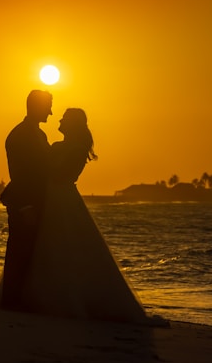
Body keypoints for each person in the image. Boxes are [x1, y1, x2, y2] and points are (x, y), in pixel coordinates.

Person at [21, 108, 148, 323]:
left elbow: (61, 174)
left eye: (64, 118)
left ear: (72, 123)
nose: (59, 119)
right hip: (54, 197)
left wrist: (46, 157)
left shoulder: (77, 147)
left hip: (62, 198)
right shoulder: (64, 146)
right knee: (50, 246)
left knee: (65, 246)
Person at [0, 89, 53, 309]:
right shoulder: (20, 135)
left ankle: (20, 298)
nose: (51, 111)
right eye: (48, 105)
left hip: (35, 202)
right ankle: (11, 301)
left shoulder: (39, 134)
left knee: (29, 251)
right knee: (19, 250)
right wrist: (26, 206)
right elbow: (20, 174)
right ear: (36, 106)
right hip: (24, 203)